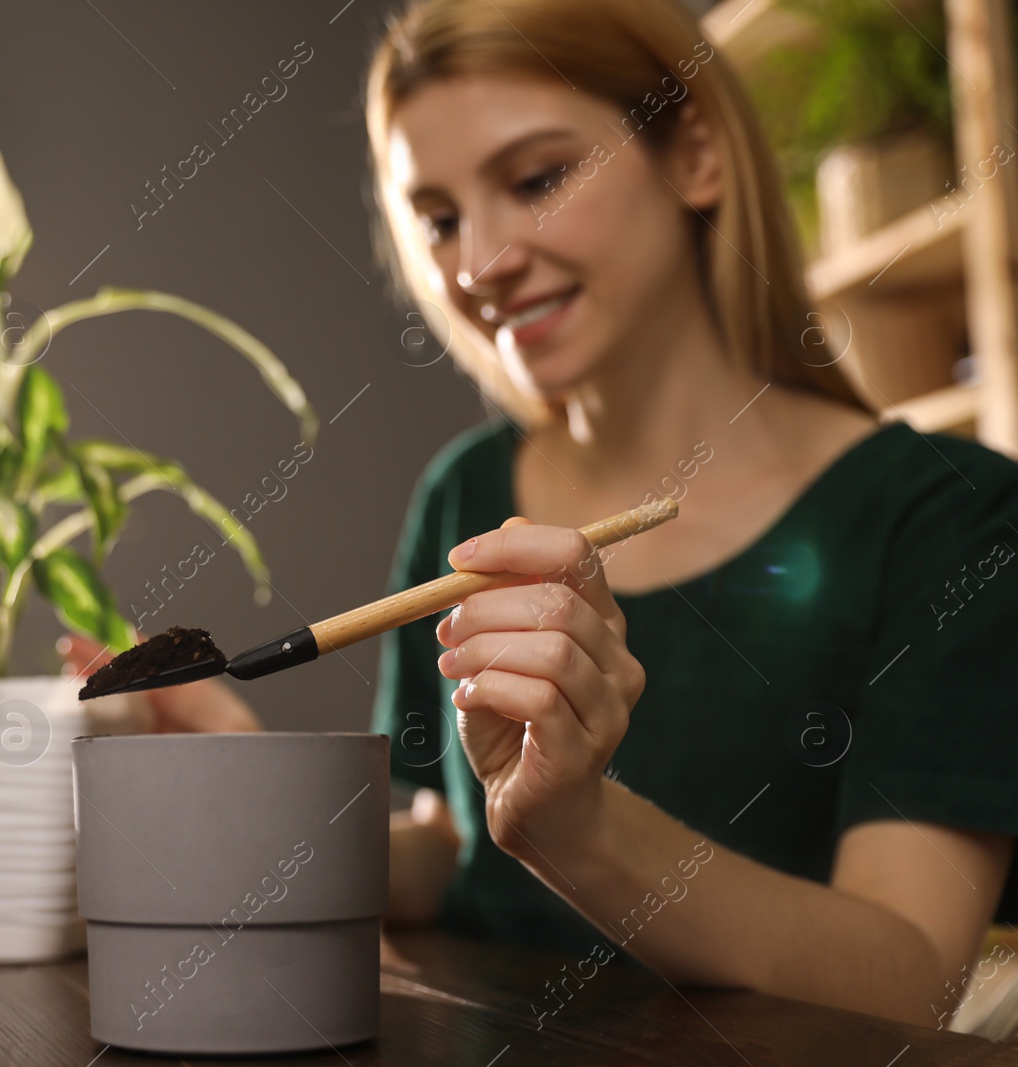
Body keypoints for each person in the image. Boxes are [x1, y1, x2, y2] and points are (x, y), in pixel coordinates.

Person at [63, 0, 1018, 1029]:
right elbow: (442, 839)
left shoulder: (951, 518)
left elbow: (908, 975)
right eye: (436, 217)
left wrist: (580, 826)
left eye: (535, 180)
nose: (477, 264)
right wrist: (256, 792)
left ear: (693, 155)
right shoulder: (467, 488)